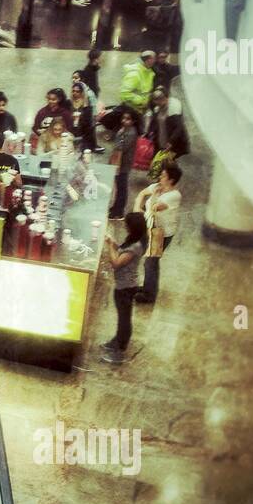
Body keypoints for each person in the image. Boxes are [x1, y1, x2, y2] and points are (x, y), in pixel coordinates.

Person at [101, 211, 149, 364]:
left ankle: (120, 350)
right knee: (123, 317)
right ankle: (117, 340)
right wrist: (113, 241)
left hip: (126, 287)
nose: (124, 227)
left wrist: (109, 246)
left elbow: (116, 263)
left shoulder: (135, 246)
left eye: (126, 225)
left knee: (124, 319)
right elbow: (121, 250)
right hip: (124, 284)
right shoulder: (135, 239)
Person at [134, 162, 182, 303]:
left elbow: (155, 207)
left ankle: (149, 295)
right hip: (150, 228)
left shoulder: (174, 196)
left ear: (171, 180)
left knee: (151, 262)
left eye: (163, 176)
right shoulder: (158, 187)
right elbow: (142, 193)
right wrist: (137, 208)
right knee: (149, 261)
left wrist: (154, 195)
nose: (160, 177)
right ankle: (147, 288)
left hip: (161, 233)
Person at [144, 86, 190, 162]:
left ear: (166, 97)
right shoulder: (157, 109)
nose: (158, 102)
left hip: (172, 145)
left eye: (161, 99)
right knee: (159, 167)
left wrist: (171, 142)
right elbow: (154, 125)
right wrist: (148, 134)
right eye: (156, 100)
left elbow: (179, 127)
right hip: (161, 144)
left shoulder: (174, 108)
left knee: (161, 166)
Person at [108, 110, 139, 218]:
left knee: (122, 188)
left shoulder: (131, 133)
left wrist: (119, 137)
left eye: (128, 119)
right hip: (120, 163)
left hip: (123, 164)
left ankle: (119, 211)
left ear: (133, 121)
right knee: (119, 186)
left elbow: (121, 147)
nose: (124, 121)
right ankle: (116, 206)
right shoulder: (124, 130)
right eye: (123, 118)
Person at [29, 87, 73, 152]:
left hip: (60, 145)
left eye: (53, 99)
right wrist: (40, 132)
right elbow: (35, 128)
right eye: (49, 99)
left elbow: (69, 130)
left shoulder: (65, 113)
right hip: (44, 143)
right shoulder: (42, 112)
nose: (50, 101)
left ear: (59, 99)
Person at [118, 48, 157, 121]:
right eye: (153, 58)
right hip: (131, 112)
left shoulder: (150, 73)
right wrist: (141, 100)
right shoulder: (134, 74)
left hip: (141, 110)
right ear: (147, 60)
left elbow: (146, 91)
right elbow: (124, 93)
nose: (155, 60)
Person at [69, 81, 96, 152]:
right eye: (73, 91)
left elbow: (88, 126)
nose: (75, 93)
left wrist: (79, 118)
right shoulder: (69, 103)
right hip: (71, 132)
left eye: (77, 91)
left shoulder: (86, 107)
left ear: (81, 93)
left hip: (82, 134)